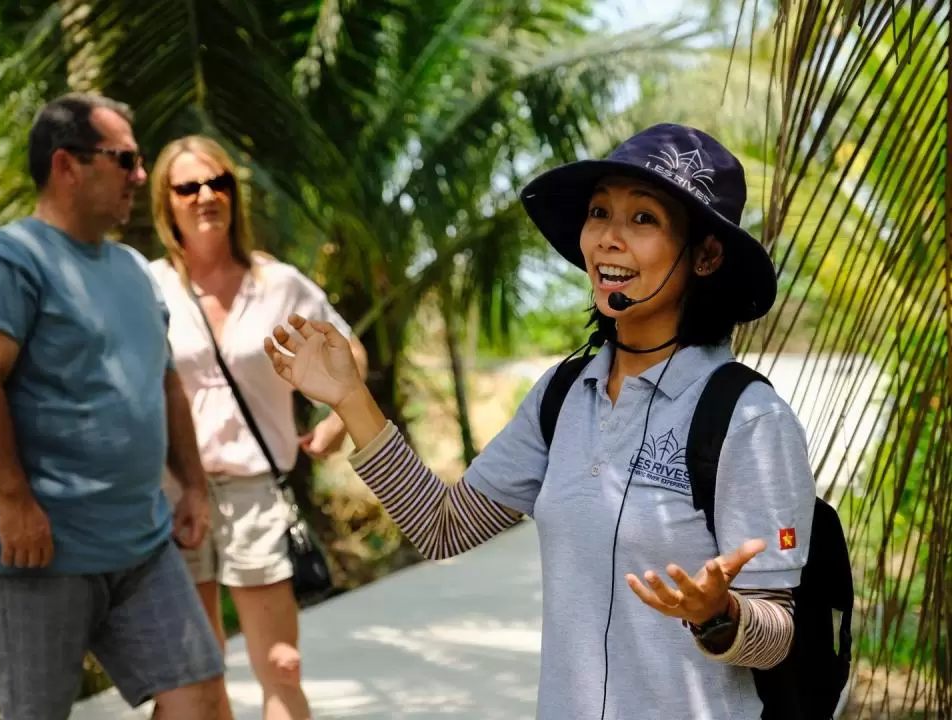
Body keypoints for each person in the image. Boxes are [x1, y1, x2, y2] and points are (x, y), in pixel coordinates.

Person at [262, 124, 816, 719]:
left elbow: (776, 633)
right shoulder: (562, 396)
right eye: (599, 212)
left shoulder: (749, 419)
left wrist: (719, 615)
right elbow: (442, 526)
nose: (608, 238)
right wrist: (350, 398)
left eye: (643, 219)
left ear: (706, 255)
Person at [0, 94, 233, 720]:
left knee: (203, 697)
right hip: (42, 553)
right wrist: (13, 502)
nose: (139, 176)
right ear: (66, 165)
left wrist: (193, 487)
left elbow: (165, 384)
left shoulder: (132, 269)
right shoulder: (8, 259)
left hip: (141, 539)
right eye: (124, 159)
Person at [147, 135, 369, 720]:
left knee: (281, 664)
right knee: (193, 674)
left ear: (234, 195)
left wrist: (336, 426)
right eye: (188, 186)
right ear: (165, 201)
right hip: (171, 496)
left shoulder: (278, 285)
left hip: (255, 493)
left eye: (218, 182)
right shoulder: (149, 286)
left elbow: (349, 351)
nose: (205, 196)